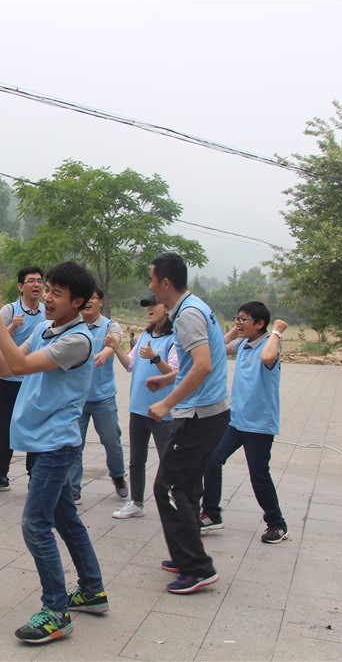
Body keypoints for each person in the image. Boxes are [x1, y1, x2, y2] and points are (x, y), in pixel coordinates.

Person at [0, 263, 107, 644]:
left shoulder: (78, 340)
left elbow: (23, 363)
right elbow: (9, 367)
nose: (46, 297)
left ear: (78, 302)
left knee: (35, 524)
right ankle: (92, 590)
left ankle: (56, 611)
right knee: (65, 518)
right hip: (41, 442)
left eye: (56, 293)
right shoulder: (46, 329)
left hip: (56, 445)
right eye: (47, 290)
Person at [145, 252, 229, 595]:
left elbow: (204, 366)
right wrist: (167, 381)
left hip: (200, 416)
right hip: (209, 412)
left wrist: (167, 402)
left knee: (167, 486)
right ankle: (187, 557)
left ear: (165, 283)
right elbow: (197, 365)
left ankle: (198, 568)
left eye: (152, 280)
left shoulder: (187, 316)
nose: (150, 286)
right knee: (186, 487)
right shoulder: (194, 306)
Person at [201, 302, 289, 544]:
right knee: (212, 459)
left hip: (259, 426)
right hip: (236, 421)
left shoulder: (269, 345)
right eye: (237, 318)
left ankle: (277, 524)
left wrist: (277, 331)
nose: (238, 323)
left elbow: (268, 356)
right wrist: (236, 329)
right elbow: (215, 346)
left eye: (244, 319)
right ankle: (211, 513)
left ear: (260, 324)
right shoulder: (243, 344)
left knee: (258, 475)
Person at [107, 295, 178, 519]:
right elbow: (130, 364)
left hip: (161, 410)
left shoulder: (174, 338)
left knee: (168, 459)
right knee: (137, 459)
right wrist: (116, 348)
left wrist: (156, 358)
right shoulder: (146, 335)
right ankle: (135, 502)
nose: (149, 309)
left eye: (153, 305)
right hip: (138, 408)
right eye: (147, 306)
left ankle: (180, 500)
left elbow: (173, 374)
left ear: (167, 308)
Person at [0, 266, 46, 494]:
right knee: (6, 427)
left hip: (34, 379)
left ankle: (33, 475)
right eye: (31, 281)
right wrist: (13, 326)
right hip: (9, 379)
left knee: (32, 426)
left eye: (39, 281)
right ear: (20, 286)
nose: (36, 285)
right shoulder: (10, 310)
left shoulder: (48, 312)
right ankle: (1, 475)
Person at [68, 285, 128, 504]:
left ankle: (118, 476)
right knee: (75, 444)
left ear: (101, 302)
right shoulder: (74, 325)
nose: (90, 302)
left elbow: (115, 342)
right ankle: (74, 488)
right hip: (78, 398)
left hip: (103, 396)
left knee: (112, 441)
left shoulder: (111, 325)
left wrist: (105, 353)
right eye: (87, 298)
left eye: (94, 298)